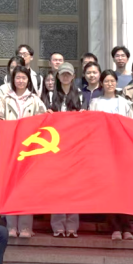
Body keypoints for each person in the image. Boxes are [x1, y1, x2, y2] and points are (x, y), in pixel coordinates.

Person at [0, 65, 47, 238]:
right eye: (18, 77)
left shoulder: (35, 99)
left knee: (26, 187)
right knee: (10, 187)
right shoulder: (5, 99)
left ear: (28, 80)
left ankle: (25, 227)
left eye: (24, 78)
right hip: (10, 148)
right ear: (13, 79)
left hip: (29, 150)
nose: (21, 81)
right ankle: (11, 226)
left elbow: (44, 120)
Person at [90, 70, 133, 240]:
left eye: (112, 81)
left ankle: (126, 227)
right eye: (107, 81)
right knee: (109, 189)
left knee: (124, 189)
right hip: (103, 150)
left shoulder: (125, 103)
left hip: (122, 150)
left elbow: (132, 126)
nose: (110, 84)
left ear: (116, 83)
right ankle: (114, 227)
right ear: (101, 83)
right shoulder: (95, 103)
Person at [49, 62, 82, 237]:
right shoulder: (50, 95)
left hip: (74, 146)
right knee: (57, 187)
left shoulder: (80, 96)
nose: (66, 77)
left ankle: (72, 225)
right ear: (58, 76)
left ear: (73, 76)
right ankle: (58, 225)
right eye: (63, 74)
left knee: (73, 187)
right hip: (55, 147)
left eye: (69, 74)